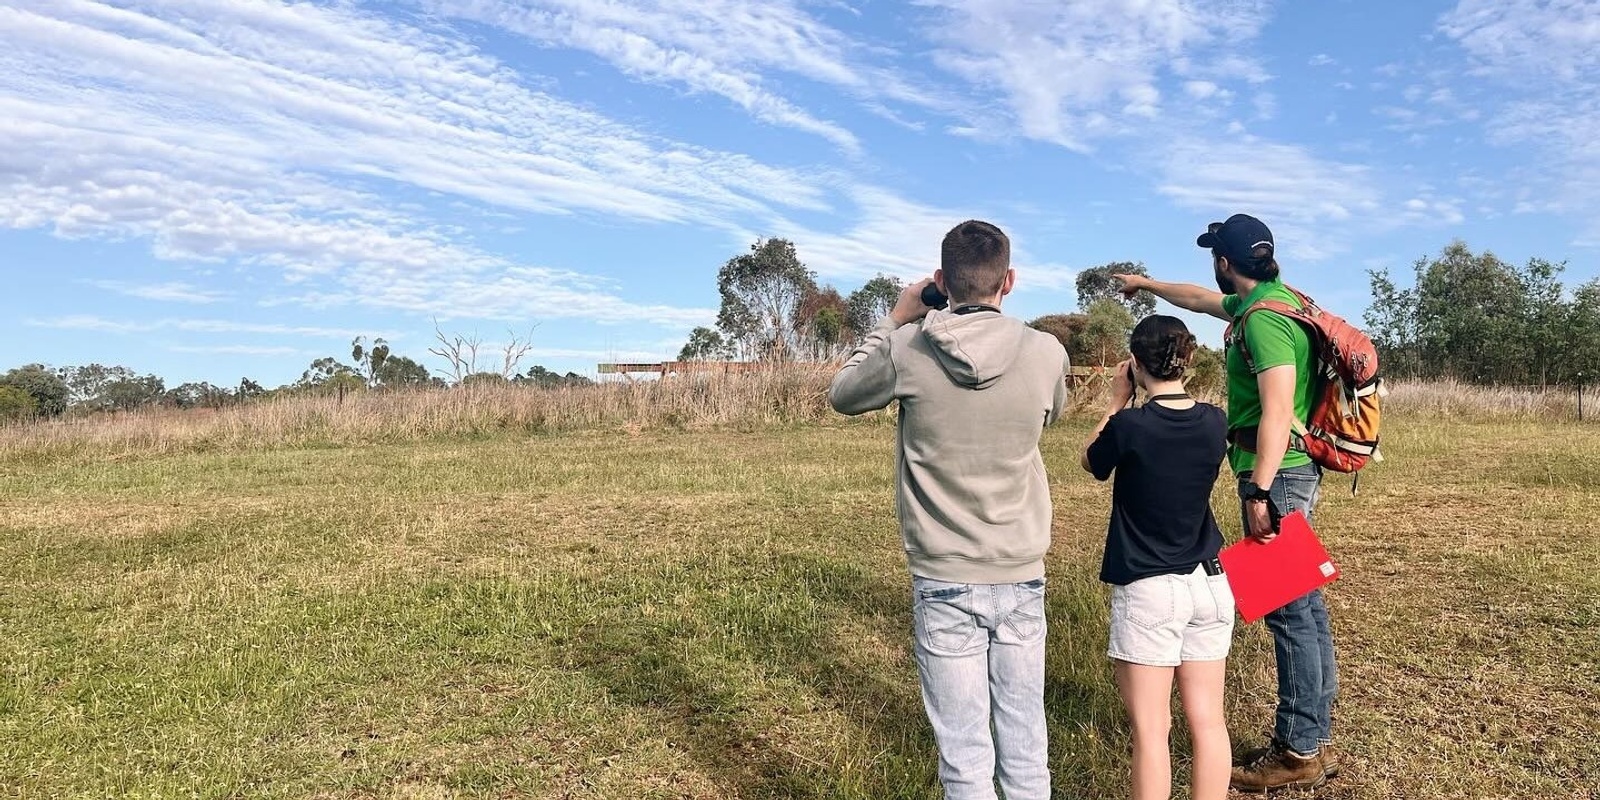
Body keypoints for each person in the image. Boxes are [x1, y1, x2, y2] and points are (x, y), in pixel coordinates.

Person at [829, 220, 1069, 800]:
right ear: (1008, 281)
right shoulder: (1046, 352)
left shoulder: (907, 347)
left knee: (963, 754)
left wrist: (893, 319)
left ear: (941, 280)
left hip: (943, 572)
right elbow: (1052, 415)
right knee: (1026, 745)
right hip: (1018, 566)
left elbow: (842, 395)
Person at [1113, 214, 1338, 792]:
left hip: (1278, 474)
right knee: (1304, 607)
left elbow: (1277, 407)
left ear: (1223, 260)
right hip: (1287, 470)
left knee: (1289, 611)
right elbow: (1199, 300)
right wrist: (1148, 285)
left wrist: (1259, 489)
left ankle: (1298, 748)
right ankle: (1306, 735)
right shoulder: (1271, 300)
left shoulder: (1262, 322)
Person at [1081, 316, 1233, 800]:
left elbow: (1091, 461)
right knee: (1208, 722)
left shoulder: (1129, 426)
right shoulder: (1215, 421)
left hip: (1150, 588)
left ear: (1135, 364)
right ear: (1188, 360)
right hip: (1210, 582)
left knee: (1152, 732)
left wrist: (1115, 401)